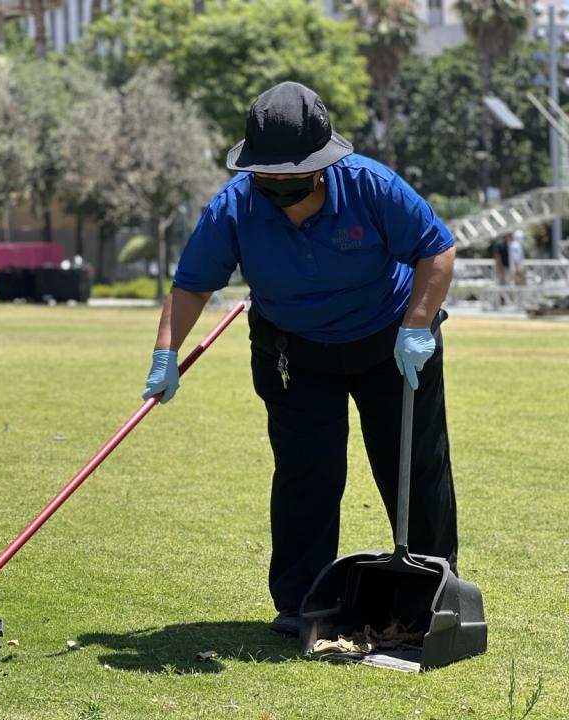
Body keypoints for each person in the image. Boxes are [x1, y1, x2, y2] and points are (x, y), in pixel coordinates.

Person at [141, 82, 458, 637]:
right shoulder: (233, 207)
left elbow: (437, 249)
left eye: (293, 176)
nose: (279, 187)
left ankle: (432, 593)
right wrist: (165, 353)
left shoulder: (373, 186)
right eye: (268, 177)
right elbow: (192, 284)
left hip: (392, 344)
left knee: (412, 466)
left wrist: (416, 327)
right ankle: (303, 601)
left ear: (323, 165)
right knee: (306, 474)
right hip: (294, 353)